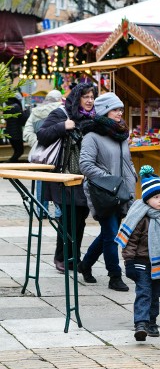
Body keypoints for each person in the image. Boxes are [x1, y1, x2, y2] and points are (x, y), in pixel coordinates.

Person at [78, 92, 136, 291]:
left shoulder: (120, 135)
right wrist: (109, 179)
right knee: (112, 234)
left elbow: (127, 162)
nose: (120, 113)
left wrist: (133, 177)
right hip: (103, 193)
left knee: (107, 234)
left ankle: (85, 264)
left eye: (121, 109)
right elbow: (85, 165)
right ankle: (114, 276)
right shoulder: (91, 137)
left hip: (121, 193)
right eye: (115, 109)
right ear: (104, 111)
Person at [37, 83, 96, 273]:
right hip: (64, 176)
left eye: (92, 97)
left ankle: (74, 257)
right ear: (77, 97)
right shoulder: (61, 114)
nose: (89, 101)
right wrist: (63, 126)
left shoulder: (92, 118)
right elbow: (42, 135)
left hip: (83, 177)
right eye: (85, 97)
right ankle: (61, 257)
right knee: (69, 218)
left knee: (80, 218)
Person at [117, 166, 160, 341]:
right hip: (141, 261)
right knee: (144, 291)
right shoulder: (140, 216)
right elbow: (130, 241)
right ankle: (141, 324)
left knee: (156, 292)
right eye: (156, 197)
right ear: (146, 199)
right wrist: (128, 262)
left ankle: (152, 321)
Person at [23, 90, 64, 218]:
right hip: (57, 152)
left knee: (41, 180)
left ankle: (41, 211)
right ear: (59, 99)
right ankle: (59, 211)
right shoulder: (61, 110)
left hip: (40, 154)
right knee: (59, 180)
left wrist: (39, 143)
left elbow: (26, 132)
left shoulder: (35, 112)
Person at [4, 93, 27, 162]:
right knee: (20, 151)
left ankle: (13, 162)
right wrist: (26, 112)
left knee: (16, 151)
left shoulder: (7, 107)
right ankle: (9, 162)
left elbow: (6, 118)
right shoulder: (17, 106)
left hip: (9, 133)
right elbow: (23, 119)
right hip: (16, 133)